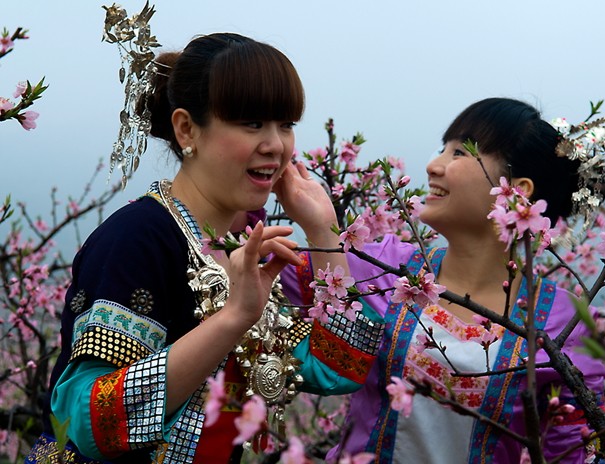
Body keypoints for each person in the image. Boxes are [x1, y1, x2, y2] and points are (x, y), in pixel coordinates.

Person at [24, 30, 378, 464]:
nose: (275, 145)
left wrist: (323, 233)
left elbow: (339, 366)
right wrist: (232, 319)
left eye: (285, 124)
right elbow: (90, 420)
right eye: (252, 123)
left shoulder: (249, 243)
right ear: (187, 128)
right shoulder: (138, 238)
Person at [278, 97, 605, 463]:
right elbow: (254, 287)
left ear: (516, 193)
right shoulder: (383, 268)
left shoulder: (560, 323)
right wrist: (320, 228)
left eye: (460, 152)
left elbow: (580, 456)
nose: (434, 165)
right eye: (442, 149)